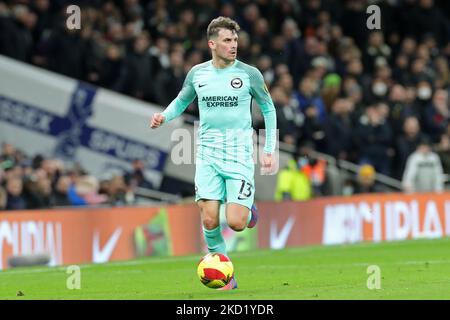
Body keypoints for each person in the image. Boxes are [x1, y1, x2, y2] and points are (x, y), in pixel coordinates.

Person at [150, 16, 277, 290]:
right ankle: (226, 278)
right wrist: (164, 115)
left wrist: (269, 149)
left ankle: (249, 211)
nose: (233, 46)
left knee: (236, 223)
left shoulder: (249, 74)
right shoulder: (198, 74)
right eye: (227, 41)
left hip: (239, 155)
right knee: (208, 218)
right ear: (212, 44)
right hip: (208, 154)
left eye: (235, 41)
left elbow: (268, 108)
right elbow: (183, 99)